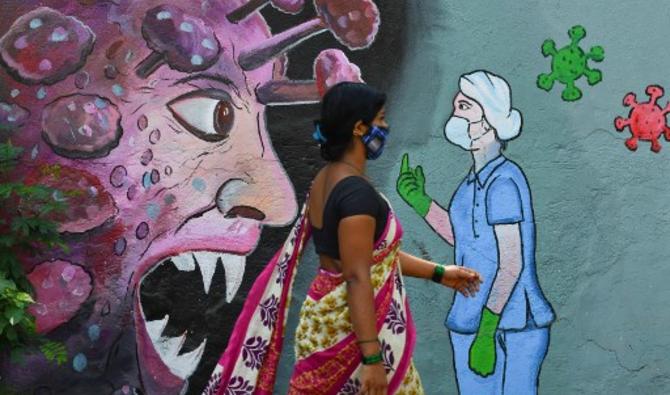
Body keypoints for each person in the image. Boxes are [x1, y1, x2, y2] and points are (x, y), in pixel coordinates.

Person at [201, 82, 482, 395]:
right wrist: (373, 359)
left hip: (328, 326)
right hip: (353, 338)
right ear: (360, 128)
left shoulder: (327, 180)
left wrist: (440, 273)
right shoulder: (355, 194)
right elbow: (358, 276)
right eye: (381, 120)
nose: (386, 127)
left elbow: (371, 257)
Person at [397, 70, 555, 394]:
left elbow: (511, 263)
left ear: (488, 119)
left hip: (509, 325)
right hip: (471, 317)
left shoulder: (504, 182)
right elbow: (465, 238)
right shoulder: (471, 184)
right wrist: (421, 203)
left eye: (464, 106)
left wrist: (487, 330)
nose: (455, 112)